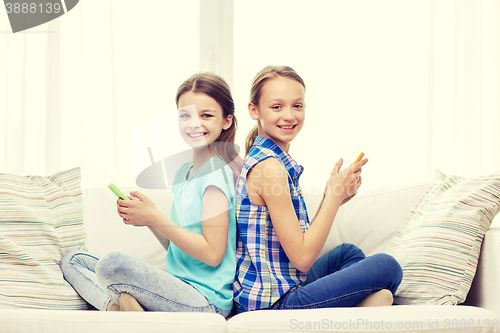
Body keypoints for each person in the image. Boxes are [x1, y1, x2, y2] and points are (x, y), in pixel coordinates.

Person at [61, 73, 241, 317]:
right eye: (185, 115)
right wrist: (148, 221)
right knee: (74, 260)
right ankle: (118, 307)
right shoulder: (184, 173)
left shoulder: (215, 173)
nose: (194, 124)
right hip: (177, 288)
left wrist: (156, 217)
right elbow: (178, 250)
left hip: (206, 300)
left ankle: (126, 305)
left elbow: (211, 254)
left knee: (112, 263)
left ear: (226, 121)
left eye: (206, 115)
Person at [233, 65, 403, 313]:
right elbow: (302, 259)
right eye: (277, 106)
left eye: (297, 106)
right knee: (387, 266)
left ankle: (355, 304)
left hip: (286, 284)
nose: (289, 116)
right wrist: (334, 198)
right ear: (254, 110)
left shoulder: (271, 159)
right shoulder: (270, 169)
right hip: (275, 304)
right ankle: (359, 305)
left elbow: (296, 241)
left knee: (347, 253)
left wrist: (330, 197)